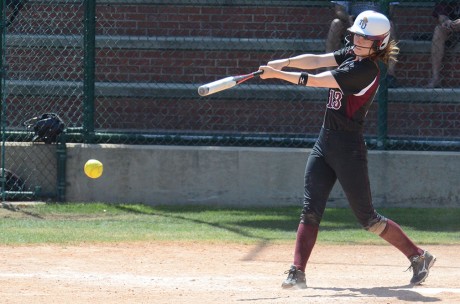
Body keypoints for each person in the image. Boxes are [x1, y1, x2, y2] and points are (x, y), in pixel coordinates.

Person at [258, 10, 436, 289]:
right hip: (325, 142)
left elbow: (317, 79)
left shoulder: (366, 70)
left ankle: (418, 256)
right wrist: (284, 62)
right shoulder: (354, 54)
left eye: (363, 37)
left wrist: (278, 75)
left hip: (348, 149)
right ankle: (297, 271)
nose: (354, 38)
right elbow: (317, 60)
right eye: (355, 34)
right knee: (310, 209)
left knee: (368, 219)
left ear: (378, 43)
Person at [326, 1, 399, 87]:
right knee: (336, 23)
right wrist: (350, 19)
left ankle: (390, 76)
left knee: (390, 25)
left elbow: (390, 11)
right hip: (351, 23)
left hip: (376, 24)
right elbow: (339, 10)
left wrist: (372, 22)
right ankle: (330, 73)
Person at [426, 1, 460, 88]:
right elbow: (442, 16)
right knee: (438, 30)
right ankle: (435, 78)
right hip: (453, 29)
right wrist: (446, 22)